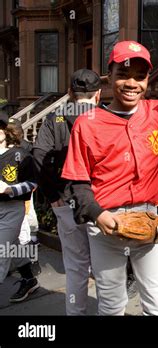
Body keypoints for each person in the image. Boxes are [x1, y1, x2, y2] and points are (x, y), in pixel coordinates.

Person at [33, 68, 102, 315]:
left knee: (75, 267)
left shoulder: (55, 118)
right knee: (106, 268)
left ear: (71, 92)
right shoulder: (105, 117)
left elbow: (39, 158)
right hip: (101, 204)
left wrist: (53, 196)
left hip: (66, 202)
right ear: (99, 94)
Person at [0, 111, 39, 302]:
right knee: (12, 246)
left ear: (5, 131)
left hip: (11, 209)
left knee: (2, 251)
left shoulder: (19, 155)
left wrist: (9, 190)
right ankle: (29, 279)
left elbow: (33, 183)